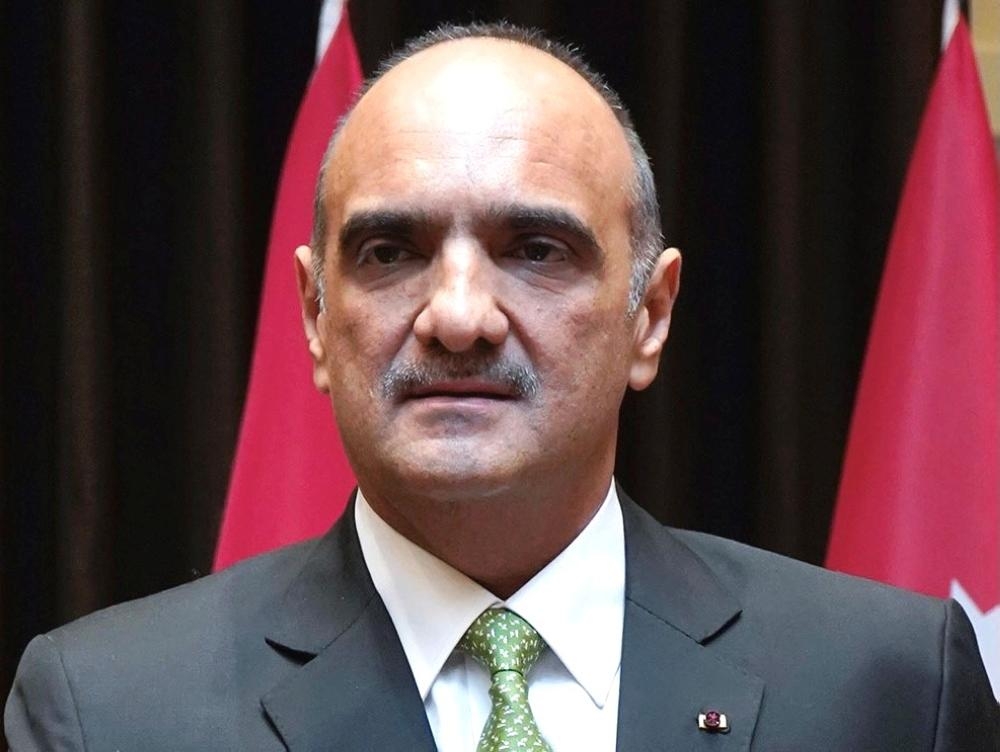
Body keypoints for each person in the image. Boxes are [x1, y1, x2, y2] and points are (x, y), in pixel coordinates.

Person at [6, 22, 998, 752]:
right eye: (390, 252)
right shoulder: (110, 711)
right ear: (314, 314)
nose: (458, 315)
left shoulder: (890, 687)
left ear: (650, 315)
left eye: (535, 249)